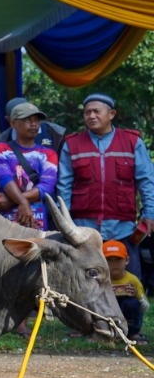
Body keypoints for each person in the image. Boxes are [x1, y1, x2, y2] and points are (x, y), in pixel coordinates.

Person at [58, 93, 154, 281]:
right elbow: (64, 186)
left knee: (129, 286)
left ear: (111, 114)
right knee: (84, 286)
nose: (91, 116)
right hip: (83, 231)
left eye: (96, 111)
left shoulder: (132, 142)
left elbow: (147, 180)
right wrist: (65, 221)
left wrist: (150, 213)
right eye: (87, 113)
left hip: (123, 229)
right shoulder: (72, 144)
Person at [0, 102, 58, 230]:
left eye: (37, 120)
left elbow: (46, 186)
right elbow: (4, 178)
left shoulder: (49, 154)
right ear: (13, 123)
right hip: (6, 218)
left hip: (37, 218)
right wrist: (23, 202)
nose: (34, 124)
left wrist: (17, 200)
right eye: (27, 120)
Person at [103, 240, 145, 342]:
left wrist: (137, 295)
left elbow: (145, 307)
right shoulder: (100, 279)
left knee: (132, 303)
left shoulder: (132, 279)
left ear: (127, 260)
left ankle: (132, 333)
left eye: (118, 259)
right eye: (109, 260)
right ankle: (102, 331)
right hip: (106, 315)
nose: (114, 264)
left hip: (127, 313)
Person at [0, 97, 65, 151]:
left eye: (35, 118)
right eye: (26, 119)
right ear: (10, 121)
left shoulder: (55, 132)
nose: (33, 123)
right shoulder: (2, 140)